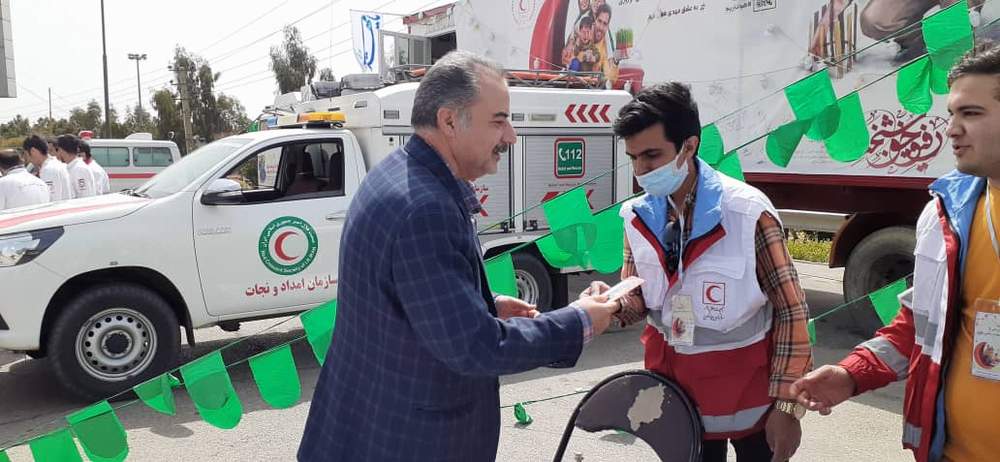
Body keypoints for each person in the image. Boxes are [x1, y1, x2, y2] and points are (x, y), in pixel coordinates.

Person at [298, 50, 622, 462]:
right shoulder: (425, 208)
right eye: (498, 121)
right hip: (408, 444)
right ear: (449, 121)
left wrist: (484, 304)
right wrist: (580, 321)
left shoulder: (398, 174)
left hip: (369, 429)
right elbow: (476, 347)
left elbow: (403, 304)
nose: (511, 137)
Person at [791, 42, 1000, 462]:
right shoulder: (945, 213)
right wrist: (851, 374)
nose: (952, 129)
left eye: (971, 113)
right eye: (952, 114)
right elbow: (921, 323)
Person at [608, 82, 813, 461]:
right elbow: (637, 297)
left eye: (651, 155)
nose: (641, 171)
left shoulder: (747, 213)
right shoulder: (637, 218)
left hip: (751, 403)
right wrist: (610, 306)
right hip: (677, 401)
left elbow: (791, 309)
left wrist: (788, 406)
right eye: (633, 158)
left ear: (689, 146)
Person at [23, 134, 72, 202]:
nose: (28, 160)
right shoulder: (55, 164)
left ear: (33, 151)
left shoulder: (49, 170)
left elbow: (51, 200)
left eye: (26, 155)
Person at [53, 134, 96, 199]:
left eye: (57, 150)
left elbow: (85, 197)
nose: (56, 154)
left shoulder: (80, 169)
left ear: (61, 150)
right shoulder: (71, 168)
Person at [592, 3, 619, 82]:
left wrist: (616, 63)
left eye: (605, 24)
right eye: (599, 21)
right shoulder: (585, 31)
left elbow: (611, 79)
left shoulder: (606, 46)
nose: (601, 27)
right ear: (595, 19)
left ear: (607, 26)